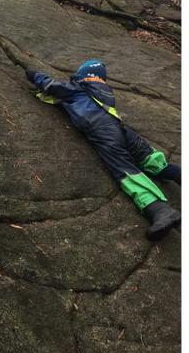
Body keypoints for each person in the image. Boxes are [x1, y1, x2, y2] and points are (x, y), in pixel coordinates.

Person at [28, 59, 181, 240]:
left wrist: (32, 74)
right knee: (150, 159)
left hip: (101, 130)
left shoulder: (78, 88)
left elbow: (51, 85)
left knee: (124, 170)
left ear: (84, 74)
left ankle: (160, 210)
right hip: (121, 129)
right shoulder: (103, 92)